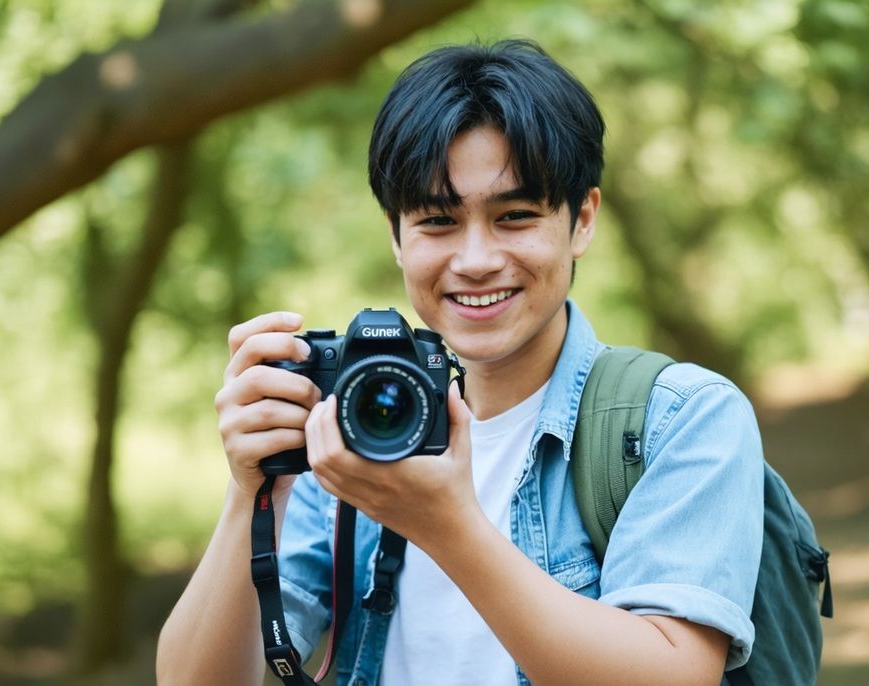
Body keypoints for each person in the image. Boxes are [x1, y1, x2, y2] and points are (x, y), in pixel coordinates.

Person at [157, 39, 763, 686]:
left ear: (582, 220)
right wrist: (251, 491)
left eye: (516, 216)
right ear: (395, 234)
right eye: (438, 221)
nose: (475, 259)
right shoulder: (347, 439)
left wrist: (446, 526)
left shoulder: (680, 419)